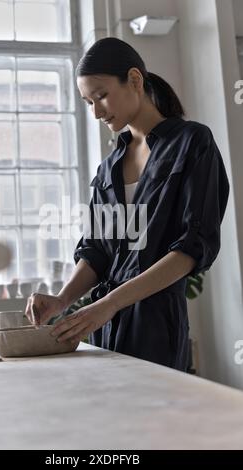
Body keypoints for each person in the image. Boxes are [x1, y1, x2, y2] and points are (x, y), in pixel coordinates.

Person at [25, 37, 229, 371]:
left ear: (134, 80)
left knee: (152, 419)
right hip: (102, 326)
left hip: (156, 327)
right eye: (88, 102)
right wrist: (62, 299)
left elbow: (193, 248)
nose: (96, 112)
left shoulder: (193, 142)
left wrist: (109, 304)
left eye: (101, 95)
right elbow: (96, 251)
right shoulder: (108, 168)